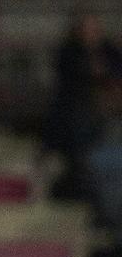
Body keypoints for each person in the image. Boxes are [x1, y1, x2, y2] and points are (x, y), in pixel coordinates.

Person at [43, 11, 122, 200]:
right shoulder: (70, 52)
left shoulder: (108, 50)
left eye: (95, 29)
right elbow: (68, 80)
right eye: (87, 29)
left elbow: (115, 72)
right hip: (78, 115)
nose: (91, 33)